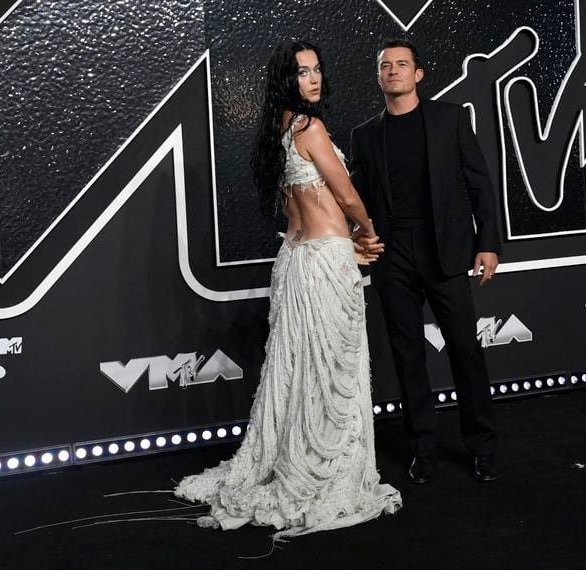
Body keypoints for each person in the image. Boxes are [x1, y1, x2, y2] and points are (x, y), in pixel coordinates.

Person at [175, 40, 401, 539]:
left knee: (299, 370)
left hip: (295, 260)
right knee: (330, 369)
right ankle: (324, 471)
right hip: (325, 263)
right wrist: (365, 230)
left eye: (318, 69)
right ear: (286, 79)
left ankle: (294, 457)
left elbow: (297, 206)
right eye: (303, 72)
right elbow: (343, 194)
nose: (315, 79)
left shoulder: (277, 130)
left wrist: (347, 239)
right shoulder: (310, 127)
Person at [349, 39, 501, 484]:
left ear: (418, 74)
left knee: (465, 352)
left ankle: (484, 447)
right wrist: (358, 237)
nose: (393, 71)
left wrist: (487, 243)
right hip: (392, 254)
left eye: (402, 64)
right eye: (385, 66)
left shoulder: (450, 118)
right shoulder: (364, 135)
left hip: (446, 250)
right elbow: (356, 200)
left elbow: (480, 185)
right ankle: (424, 447)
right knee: (407, 355)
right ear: (379, 77)